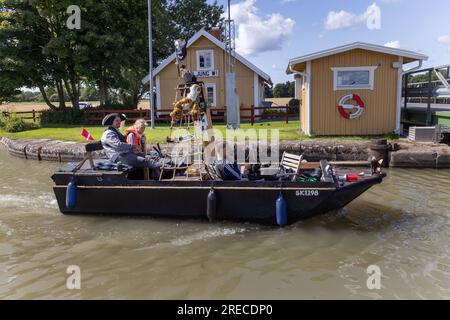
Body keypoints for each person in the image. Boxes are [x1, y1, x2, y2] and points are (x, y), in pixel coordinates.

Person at [100, 113, 160, 178]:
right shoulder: (109, 133)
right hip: (118, 157)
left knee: (149, 157)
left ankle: (158, 175)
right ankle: (162, 173)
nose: (119, 122)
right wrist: (132, 146)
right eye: (117, 121)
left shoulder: (114, 132)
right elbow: (118, 145)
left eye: (119, 120)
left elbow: (123, 141)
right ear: (111, 122)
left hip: (124, 154)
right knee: (145, 161)